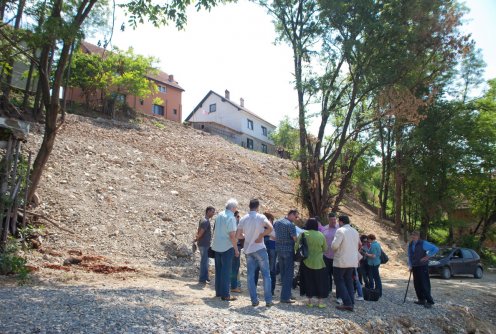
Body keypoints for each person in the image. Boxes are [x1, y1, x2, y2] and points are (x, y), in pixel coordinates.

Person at [236, 199, 274, 307]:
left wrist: (246, 236)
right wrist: (261, 236)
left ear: (249, 206)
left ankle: (254, 300)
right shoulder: (261, 217)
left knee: (250, 276)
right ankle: (268, 300)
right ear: (257, 207)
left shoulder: (243, 218)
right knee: (266, 275)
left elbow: (238, 235)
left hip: (248, 250)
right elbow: (270, 228)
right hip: (259, 248)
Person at [296, 218, 329, 308]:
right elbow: (325, 249)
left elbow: (296, 246)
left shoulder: (303, 234)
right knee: (320, 282)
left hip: (306, 262)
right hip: (319, 262)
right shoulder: (321, 235)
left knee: (308, 281)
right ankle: (320, 302)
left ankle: (309, 302)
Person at [211, 198, 240, 301]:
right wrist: (236, 249)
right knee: (226, 271)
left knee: (218, 270)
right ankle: (226, 295)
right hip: (227, 247)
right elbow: (232, 236)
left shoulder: (219, 215)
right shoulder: (231, 217)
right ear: (232, 208)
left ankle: (218, 292)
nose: (236, 209)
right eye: (236, 207)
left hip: (217, 246)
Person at [331, 215, 360, 312]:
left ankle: (347, 303)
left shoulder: (340, 230)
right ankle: (351, 302)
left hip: (341, 261)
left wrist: (332, 246)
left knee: (339, 281)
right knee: (349, 281)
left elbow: (335, 246)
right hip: (352, 261)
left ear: (341, 222)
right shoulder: (355, 231)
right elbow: (359, 245)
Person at [407, 230, 439, 308]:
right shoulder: (410, 245)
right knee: (417, 284)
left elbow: (435, 249)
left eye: (415, 235)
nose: (413, 237)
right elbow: (410, 256)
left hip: (422, 266)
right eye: (412, 235)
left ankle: (430, 301)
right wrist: (410, 266)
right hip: (415, 266)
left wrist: (427, 256)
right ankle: (421, 300)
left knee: (425, 284)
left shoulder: (423, 243)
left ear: (418, 236)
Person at [273, 209, 299, 304]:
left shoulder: (277, 222)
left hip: (279, 249)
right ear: (291, 214)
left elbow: (274, 234)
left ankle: (287, 293)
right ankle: (285, 297)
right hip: (288, 251)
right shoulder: (290, 225)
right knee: (288, 274)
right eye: (295, 217)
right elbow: (295, 239)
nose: (296, 219)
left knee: (283, 273)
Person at [194, 206, 215, 284]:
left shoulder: (203, 219)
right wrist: (197, 238)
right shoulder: (205, 221)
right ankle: (202, 279)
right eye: (212, 212)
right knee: (204, 261)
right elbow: (201, 231)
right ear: (208, 211)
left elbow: (199, 230)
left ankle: (205, 277)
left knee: (205, 261)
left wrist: (197, 238)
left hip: (203, 243)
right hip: (204, 244)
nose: (213, 214)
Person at [322, 212, 338, 295]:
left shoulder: (339, 228)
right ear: (328, 220)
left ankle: (339, 293)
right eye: (332, 219)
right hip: (326, 255)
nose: (333, 221)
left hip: (336, 256)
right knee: (326, 274)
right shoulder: (324, 228)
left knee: (336, 275)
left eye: (335, 219)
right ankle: (328, 290)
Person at [230, 211, 242, 293]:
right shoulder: (234, 224)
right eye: (238, 216)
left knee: (233, 266)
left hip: (231, 246)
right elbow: (235, 236)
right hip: (235, 247)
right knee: (235, 267)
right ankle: (234, 286)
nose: (239, 218)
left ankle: (234, 284)